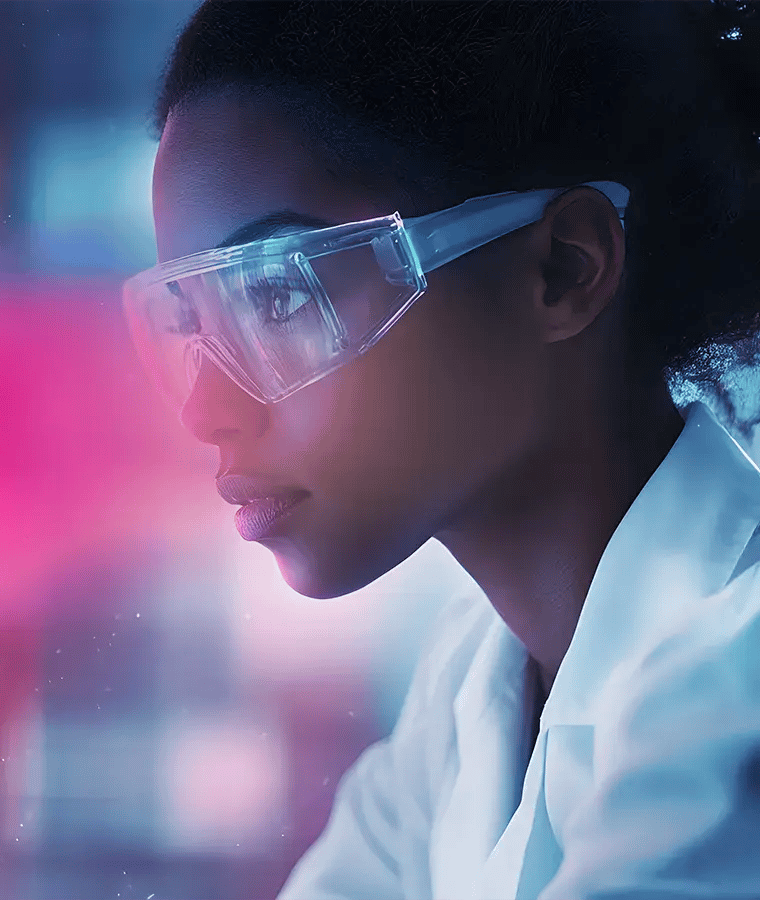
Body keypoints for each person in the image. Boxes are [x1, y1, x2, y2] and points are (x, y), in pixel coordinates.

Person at [120, 2, 760, 898]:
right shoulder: (469, 700)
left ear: (562, 269)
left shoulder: (740, 688)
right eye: (187, 324)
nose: (208, 410)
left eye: (278, 298)